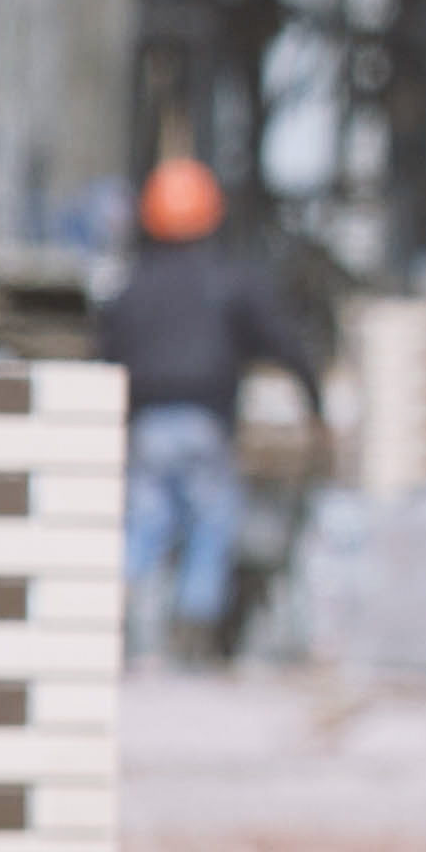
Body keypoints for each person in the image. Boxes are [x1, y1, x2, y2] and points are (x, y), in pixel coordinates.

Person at [96, 159, 324, 668]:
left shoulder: (132, 288)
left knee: (145, 524)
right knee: (210, 523)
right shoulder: (230, 282)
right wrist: (315, 402)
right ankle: (191, 633)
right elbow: (285, 343)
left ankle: (130, 633)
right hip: (205, 422)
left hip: (148, 425)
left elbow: (103, 358)